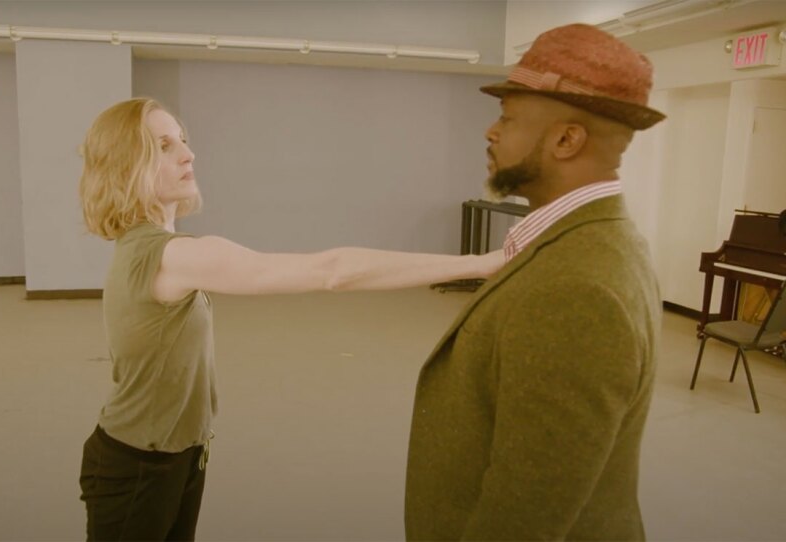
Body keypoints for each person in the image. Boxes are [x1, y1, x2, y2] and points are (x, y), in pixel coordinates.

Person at [76, 97, 505, 541]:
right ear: (128, 165)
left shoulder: (153, 247)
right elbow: (332, 271)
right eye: (164, 146)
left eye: (183, 140)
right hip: (137, 466)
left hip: (180, 455)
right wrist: (476, 264)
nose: (188, 154)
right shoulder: (171, 256)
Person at [404, 23, 666, 541]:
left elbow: (527, 511)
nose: (490, 132)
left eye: (508, 118)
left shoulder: (577, 288)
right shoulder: (588, 245)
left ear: (566, 140)